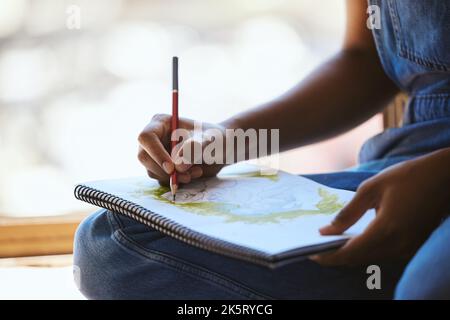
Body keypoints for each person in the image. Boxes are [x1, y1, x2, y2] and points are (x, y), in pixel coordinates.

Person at [73, 0, 450, 299]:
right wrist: (228, 138)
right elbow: (365, 61)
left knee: (426, 288)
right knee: (111, 246)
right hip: (406, 163)